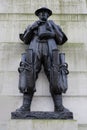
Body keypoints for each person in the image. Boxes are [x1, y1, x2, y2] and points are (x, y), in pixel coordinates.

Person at [16, 7, 69, 113]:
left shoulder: (53, 25)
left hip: (51, 49)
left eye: (46, 13)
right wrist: (32, 28)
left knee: (55, 75)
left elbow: (61, 39)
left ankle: (59, 107)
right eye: (41, 13)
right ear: (38, 15)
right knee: (29, 74)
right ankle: (25, 107)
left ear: (48, 15)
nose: (43, 14)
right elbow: (25, 39)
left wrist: (52, 34)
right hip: (35, 49)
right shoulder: (32, 26)